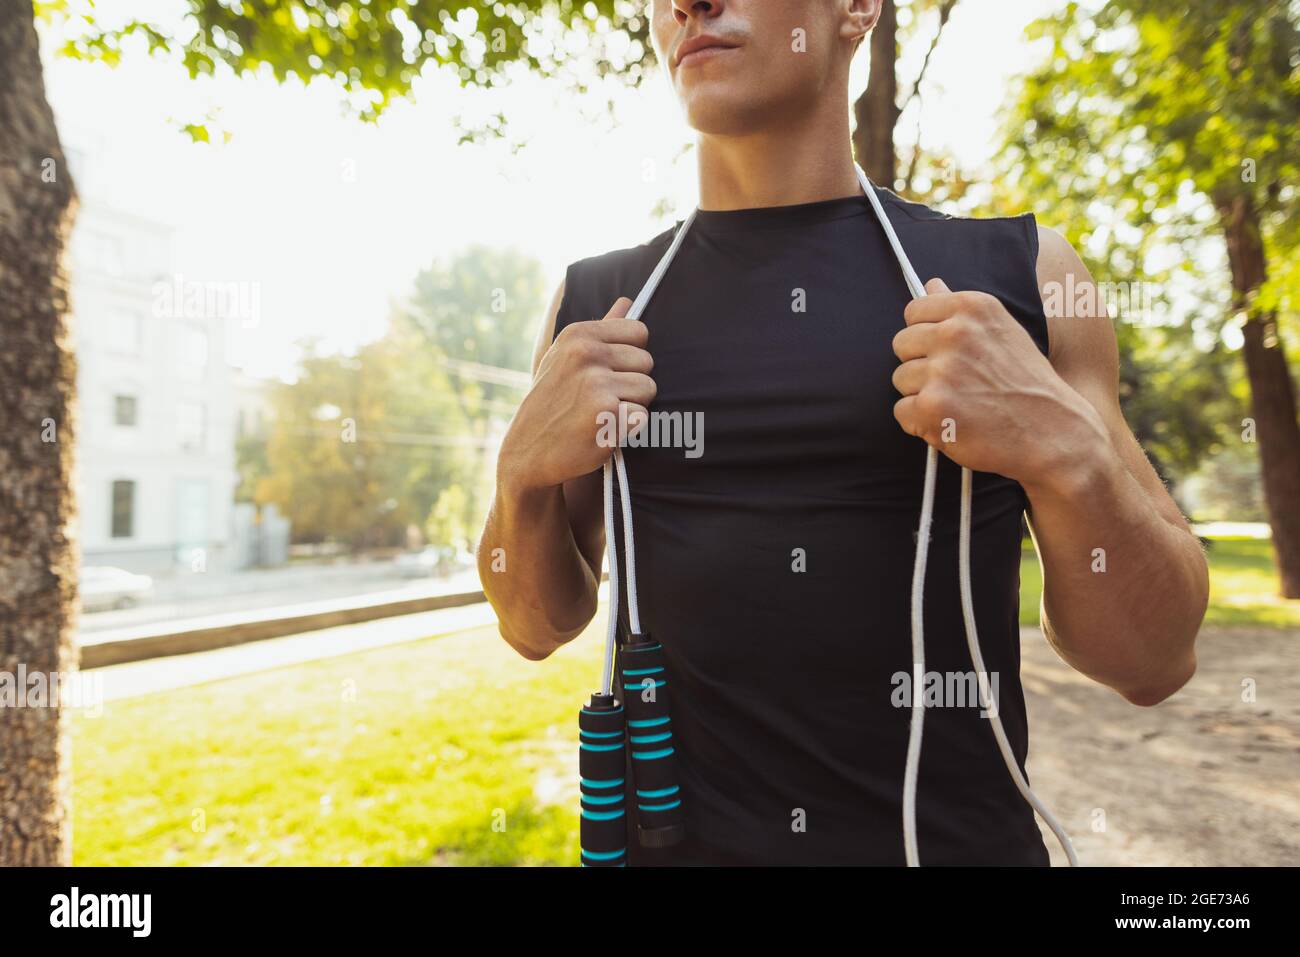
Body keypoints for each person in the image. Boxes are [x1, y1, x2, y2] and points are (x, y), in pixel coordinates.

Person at [477, 0, 1208, 865]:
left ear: (858, 9)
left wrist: (1072, 455)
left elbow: (1152, 661)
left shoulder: (1023, 279)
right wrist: (520, 474)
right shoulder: (595, 307)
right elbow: (536, 625)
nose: (689, 3)